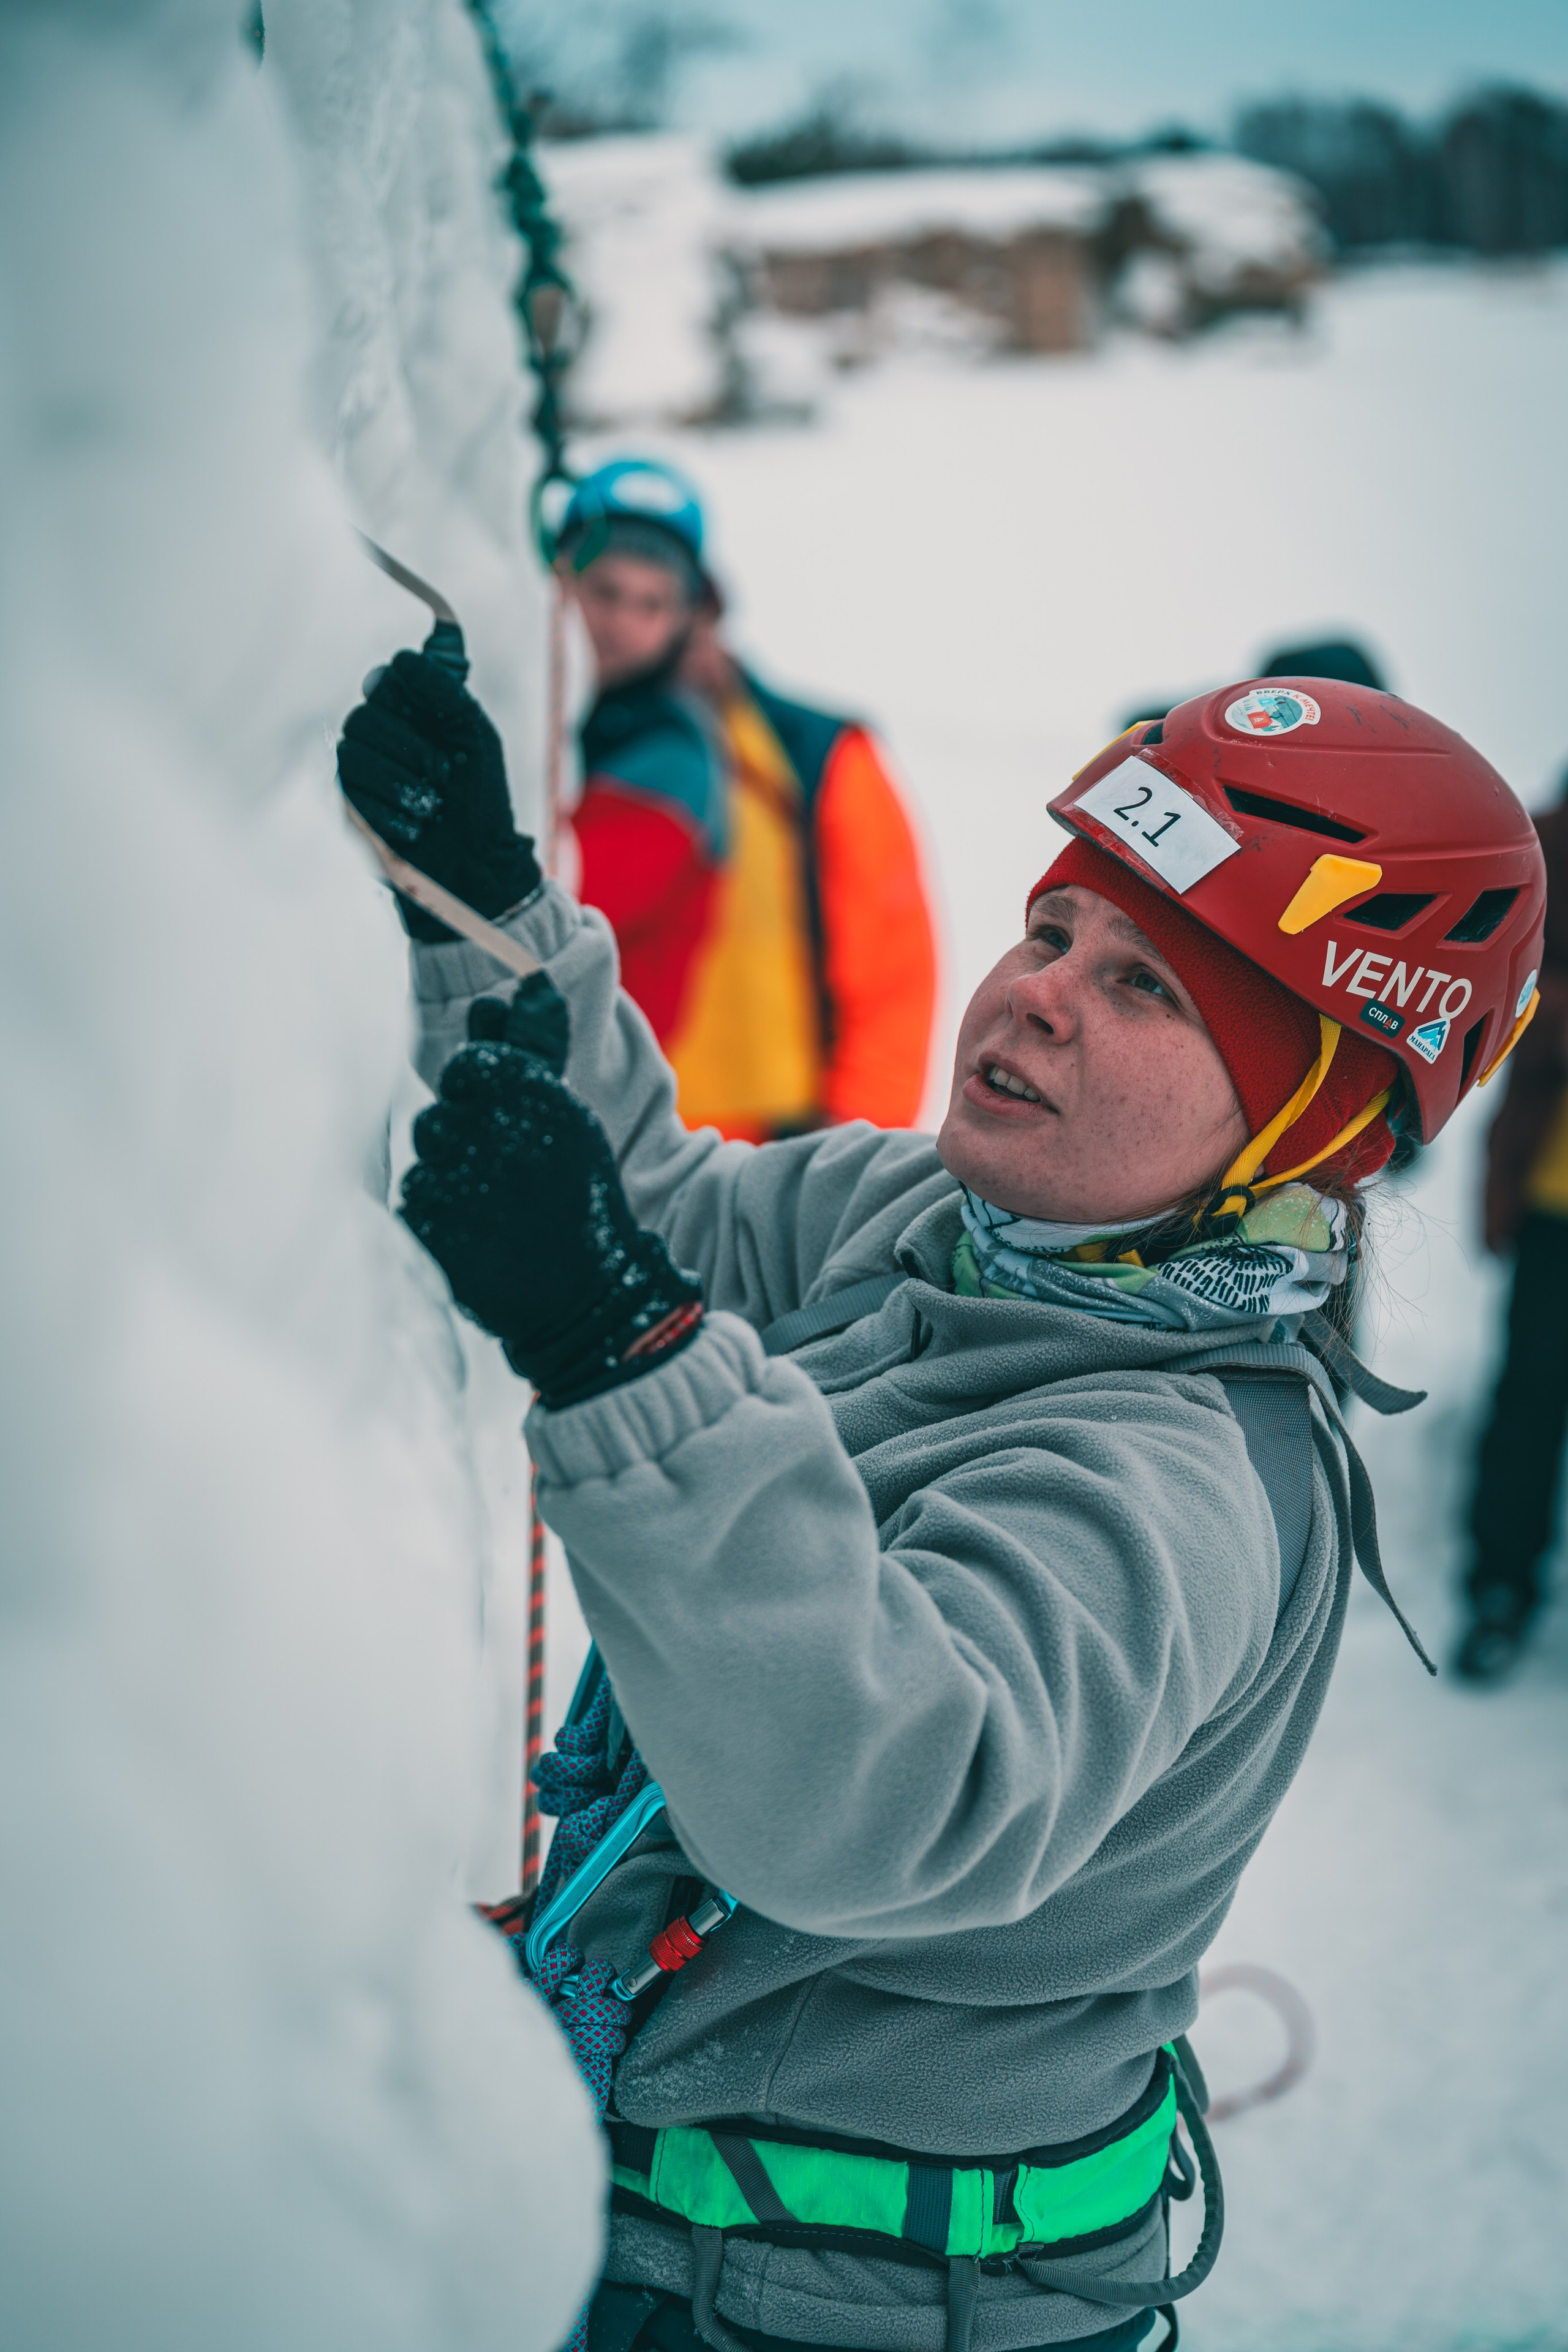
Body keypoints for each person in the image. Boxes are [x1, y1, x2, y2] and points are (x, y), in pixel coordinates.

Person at [337, 657, 1543, 2352]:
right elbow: (652, 1200)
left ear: (1315, 1120)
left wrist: (616, 1345)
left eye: (1145, 987)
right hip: (674, 2238)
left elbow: (877, 1798)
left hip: (857, 2309)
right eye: (1051, 931)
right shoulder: (923, 1218)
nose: (1039, 996)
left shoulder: (1174, 1476)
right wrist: (485, 910)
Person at [556, 458, 937, 1141]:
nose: (618, 625)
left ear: (697, 609)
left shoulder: (818, 756)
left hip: (754, 1155)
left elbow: (893, 981)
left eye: (651, 602)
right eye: (603, 591)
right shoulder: (547, 730)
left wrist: (840, 1161)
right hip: (580, 1129)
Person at [1457, 766, 1568, 1679]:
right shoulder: (1544, 846)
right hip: (1554, 1193)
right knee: (1531, 1395)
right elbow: (1496, 983)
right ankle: (1499, 1587)